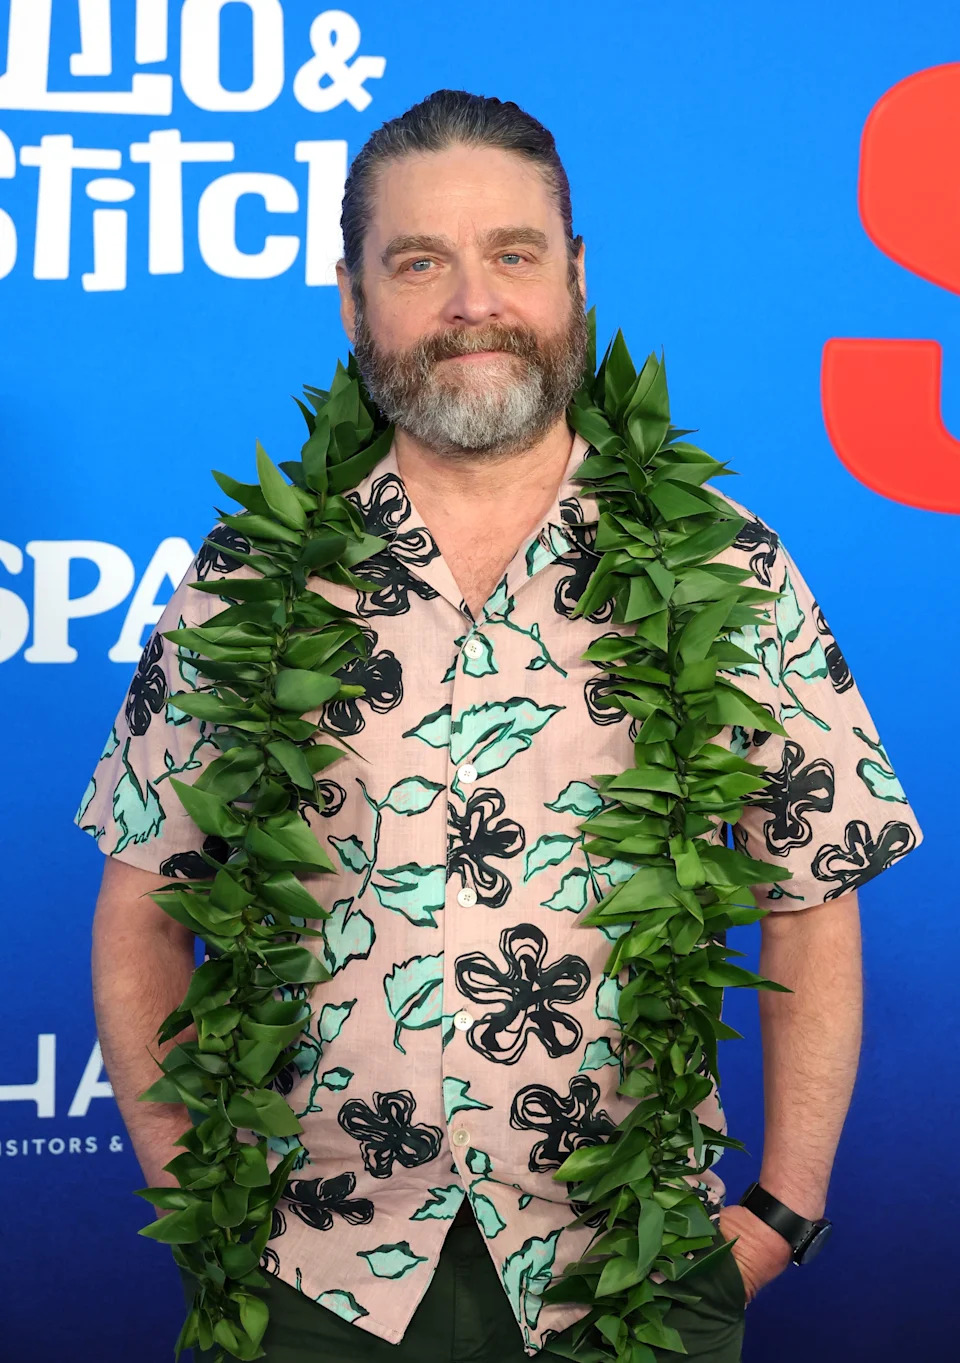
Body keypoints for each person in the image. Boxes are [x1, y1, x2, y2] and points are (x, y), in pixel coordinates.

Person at [75, 89, 924, 1363]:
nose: (473, 301)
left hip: (630, 1280)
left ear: (575, 277)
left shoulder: (728, 568)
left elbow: (814, 894)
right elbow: (141, 901)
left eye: (513, 254)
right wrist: (199, 1206)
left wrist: (776, 1214)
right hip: (314, 1279)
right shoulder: (253, 575)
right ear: (356, 302)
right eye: (420, 262)